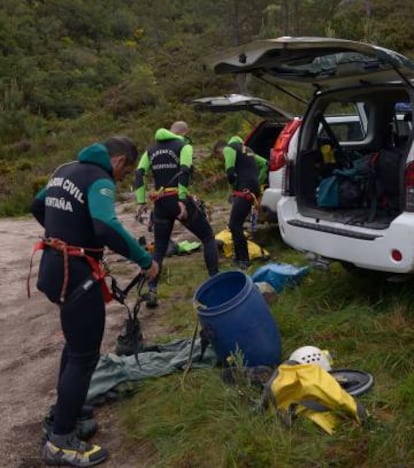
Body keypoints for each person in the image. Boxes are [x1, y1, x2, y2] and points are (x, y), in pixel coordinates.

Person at [30, 136, 158, 467]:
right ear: (119, 162)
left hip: (53, 268)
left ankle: (65, 412)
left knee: (75, 346)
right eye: (125, 170)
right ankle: (61, 441)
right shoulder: (99, 179)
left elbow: (37, 205)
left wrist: (65, 235)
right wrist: (145, 260)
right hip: (75, 275)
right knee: (84, 354)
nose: (121, 177)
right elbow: (105, 226)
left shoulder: (66, 170)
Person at [135, 121, 218, 307]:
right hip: (177, 201)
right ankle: (215, 280)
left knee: (159, 249)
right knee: (207, 237)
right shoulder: (184, 146)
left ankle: (152, 291)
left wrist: (140, 202)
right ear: (184, 133)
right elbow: (185, 170)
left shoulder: (150, 150)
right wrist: (181, 199)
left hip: (160, 204)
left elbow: (139, 174)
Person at [214, 136, 268, 269]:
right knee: (237, 224)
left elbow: (230, 173)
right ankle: (241, 257)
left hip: (244, 191)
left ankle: (243, 260)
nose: (222, 159)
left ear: (219, 151)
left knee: (234, 225)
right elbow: (265, 163)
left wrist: (234, 187)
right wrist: (258, 181)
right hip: (252, 190)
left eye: (219, 157)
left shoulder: (229, 149)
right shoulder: (247, 149)